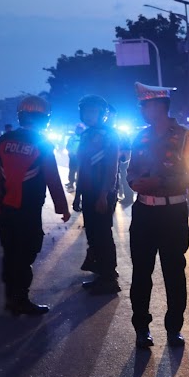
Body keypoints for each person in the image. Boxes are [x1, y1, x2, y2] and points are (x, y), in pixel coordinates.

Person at [127, 81, 189, 349]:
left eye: (145, 106)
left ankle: (173, 329)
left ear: (160, 106)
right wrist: (136, 182)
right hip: (144, 211)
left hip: (173, 211)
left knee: (174, 272)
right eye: (142, 106)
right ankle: (141, 328)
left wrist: (160, 181)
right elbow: (131, 172)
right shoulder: (140, 137)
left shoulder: (185, 137)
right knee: (141, 272)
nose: (142, 111)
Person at [0, 96, 70, 315]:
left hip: (6, 210)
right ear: (44, 119)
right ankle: (21, 299)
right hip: (28, 210)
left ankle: (11, 299)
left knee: (10, 252)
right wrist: (62, 207)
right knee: (27, 251)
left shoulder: (4, 140)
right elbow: (52, 178)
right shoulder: (42, 144)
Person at [73, 95, 121, 295]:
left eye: (93, 111)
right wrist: (77, 195)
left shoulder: (110, 136)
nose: (88, 115)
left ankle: (109, 277)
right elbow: (82, 167)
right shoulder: (85, 135)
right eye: (86, 111)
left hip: (103, 193)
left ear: (102, 114)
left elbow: (111, 168)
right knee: (93, 233)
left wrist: (103, 195)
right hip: (88, 192)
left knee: (102, 234)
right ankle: (101, 273)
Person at [64, 123, 85, 191]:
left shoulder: (84, 138)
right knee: (72, 171)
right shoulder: (72, 137)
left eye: (80, 129)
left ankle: (77, 185)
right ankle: (71, 183)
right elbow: (68, 146)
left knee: (79, 172)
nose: (79, 130)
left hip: (80, 158)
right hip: (72, 157)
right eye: (78, 128)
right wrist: (70, 153)